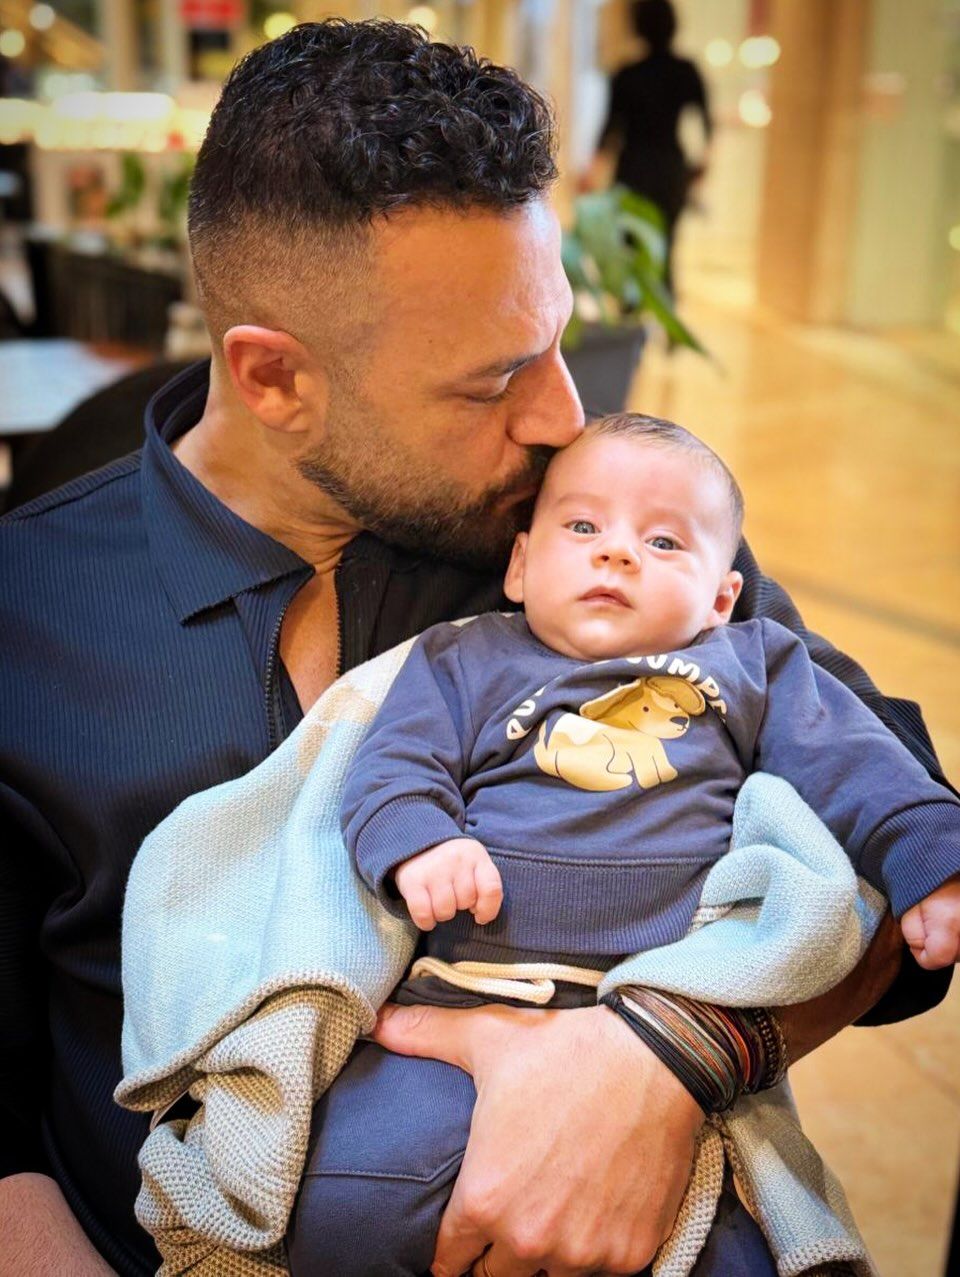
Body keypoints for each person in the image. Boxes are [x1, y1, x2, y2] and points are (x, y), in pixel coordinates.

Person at [0, 20, 951, 1277]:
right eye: (493, 380)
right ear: (275, 379)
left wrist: (672, 1056)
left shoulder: (591, 542)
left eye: (558, 335)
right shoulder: (27, 615)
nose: (563, 413)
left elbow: (892, 823)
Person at [283, 414, 960, 1276]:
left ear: (722, 597)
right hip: (467, 992)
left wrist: (931, 858)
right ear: (521, 566)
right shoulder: (462, 659)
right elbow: (390, 767)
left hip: (666, 1006)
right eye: (582, 526)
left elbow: (858, 763)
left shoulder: (753, 665)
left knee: (740, 1251)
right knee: (345, 1204)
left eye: (664, 541)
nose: (617, 552)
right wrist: (420, 845)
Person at [584, 0, 712, 294]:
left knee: (632, 247)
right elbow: (707, 125)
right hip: (670, 169)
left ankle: (632, 310)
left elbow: (609, 129)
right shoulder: (686, 71)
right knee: (666, 247)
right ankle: (666, 308)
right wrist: (701, 168)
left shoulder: (627, 74)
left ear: (638, 27)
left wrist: (593, 171)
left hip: (634, 169)